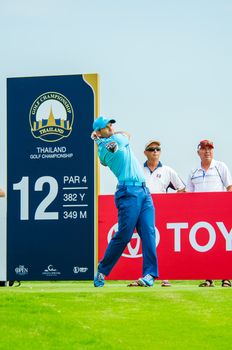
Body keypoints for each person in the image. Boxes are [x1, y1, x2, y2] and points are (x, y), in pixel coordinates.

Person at [91, 116, 158, 287]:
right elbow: (127, 134)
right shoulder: (114, 142)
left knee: (149, 233)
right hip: (128, 192)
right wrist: (101, 139)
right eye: (107, 126)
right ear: (99, 131)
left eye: (111, 124)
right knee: (124, 235)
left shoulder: (102, 149)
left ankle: (149, 274)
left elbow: (104, 159)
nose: (111, 126)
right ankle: (102, 270)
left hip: (143, 191)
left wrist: (98, 139)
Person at [186, 139, 232, 288]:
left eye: (210, 148)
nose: (207, 151)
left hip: (219, 214)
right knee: (205, 246)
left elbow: (229, 188)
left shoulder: (220, 167)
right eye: (204, 149)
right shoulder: (193, 171)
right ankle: (208, 278)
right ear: (198, 152)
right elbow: (188, 195)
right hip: (201, 215)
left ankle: (226, 278)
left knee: (222, 246)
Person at [144, 140, 185, 287]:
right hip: (143, 212)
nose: (155, 151)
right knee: (147, 244)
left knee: (162, 245)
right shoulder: (138, 170)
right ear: (145, 153)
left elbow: (182, 189)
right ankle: (145, 275)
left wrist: (172, 207)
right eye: (151, 149)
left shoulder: (168, 170)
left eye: (157, 149)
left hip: (161, 213)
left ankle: (164, 277)